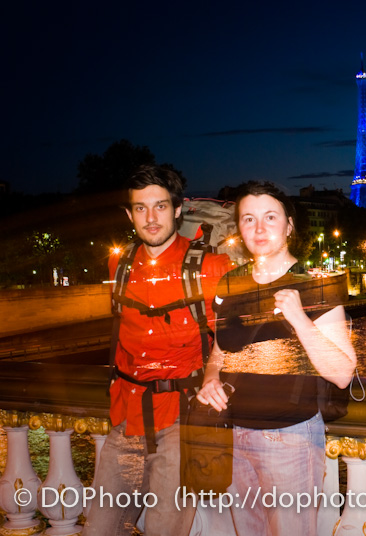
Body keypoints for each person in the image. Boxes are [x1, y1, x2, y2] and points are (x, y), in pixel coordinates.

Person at [196, 181, 356, 535]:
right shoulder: (229, 284)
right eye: (248, 219)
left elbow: (343, 373)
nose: (259, 228)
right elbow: (220, 352)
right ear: (238, 227)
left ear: (289, 225)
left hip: (291, 437)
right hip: (234, 434)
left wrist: (299, 319)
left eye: (270, 217)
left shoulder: (316, 285)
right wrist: (210, 377)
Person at [83, 165, 231, 536]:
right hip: (126, 418)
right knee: (99, 529)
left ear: (178, 209)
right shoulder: (119, 265)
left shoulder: (211, 267)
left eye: (160, 207)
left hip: (181, 422)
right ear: (129, 214)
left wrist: (214, 373)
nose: (151, 218)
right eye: (141, 208)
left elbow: (232, 337)